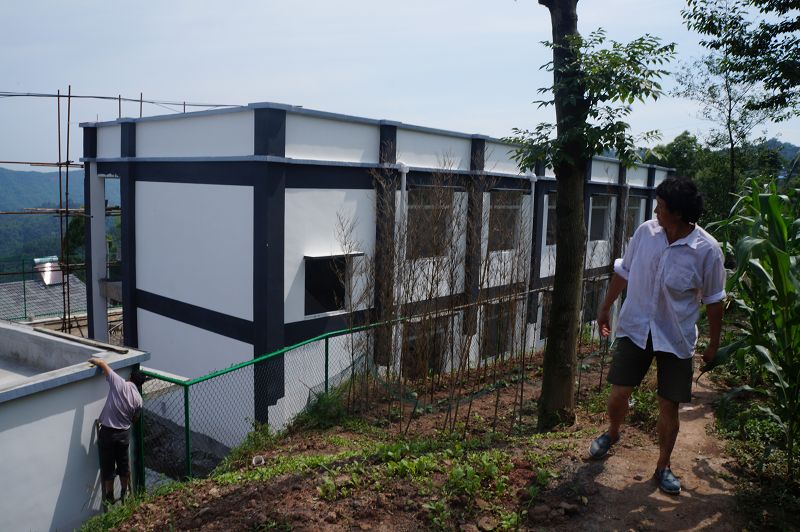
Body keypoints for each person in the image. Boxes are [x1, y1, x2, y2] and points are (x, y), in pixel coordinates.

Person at [588, 175, 725, 495]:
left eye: (661, 206)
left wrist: (714, 344)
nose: (655, 211)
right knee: (619, 393)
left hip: (675, 336)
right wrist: (605, 308)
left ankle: (663, 466)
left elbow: (714, 300)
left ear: (678, 213)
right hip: (636, 327)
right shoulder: (645, 233)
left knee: (668, 405)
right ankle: (613, 432)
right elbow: (624, 272)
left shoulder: (707, 250)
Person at [89, 357, 146, 505]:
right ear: (140, 384)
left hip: (107, 433)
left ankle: (109, 494)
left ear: (130, 377)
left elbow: (102, 363)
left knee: (108, 465)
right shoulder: (139, 400)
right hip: (123, 435)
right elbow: (135, 419)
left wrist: (91, 359)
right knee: (123, 464)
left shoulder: (119, 383)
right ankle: (124, 491)